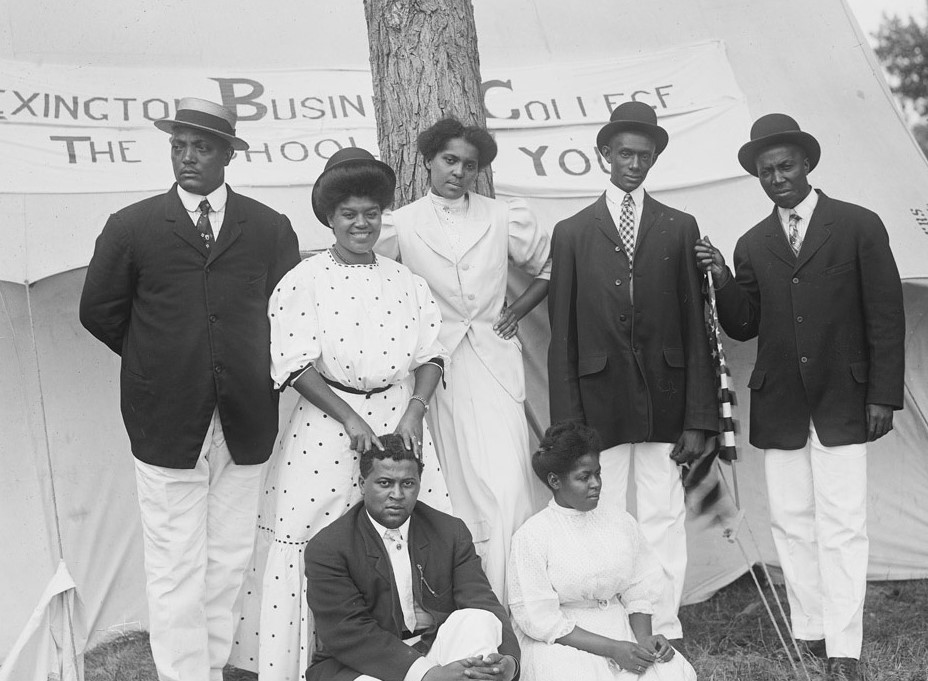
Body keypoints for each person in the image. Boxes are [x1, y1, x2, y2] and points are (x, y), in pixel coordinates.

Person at [78, 97, 300, 681]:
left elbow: (289, 316)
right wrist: (162, 364)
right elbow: (99, 311)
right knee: (175, 566)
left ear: (229, 154)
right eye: (178, 145)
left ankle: (210, 669)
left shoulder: (269, 228)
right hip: (166, 422)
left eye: (201, 146)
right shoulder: (133, 226)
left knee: (228, 562)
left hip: (246, 419)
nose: (187, 157)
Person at [694, 114, 905, 681]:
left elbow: (886, 316)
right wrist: (720, 279)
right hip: (782, 402)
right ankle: (809, 630)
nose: (777, 177)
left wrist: (882, 394)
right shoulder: (752, 243)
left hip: (846, 399)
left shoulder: (858, 226)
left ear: (807, 165)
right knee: (791, 521)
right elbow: (743, 326)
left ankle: (844, 646)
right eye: (766, 172)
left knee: (842, 523)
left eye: (785, 166)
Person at [230, 148, 452, 680]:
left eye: (371, 213)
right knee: (319, 533)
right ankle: (314, 665)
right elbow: (290, 362)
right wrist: (350, 418)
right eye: (349, 214)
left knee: (409, 524)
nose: (361, 224)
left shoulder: (406, 281)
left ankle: (416, 657)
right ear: (330, 218)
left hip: (400, 419)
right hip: (326, 423)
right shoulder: (302, 279)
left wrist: (414, 412)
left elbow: (431, 354)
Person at [546, 101, 719, 645]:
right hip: (600, 403)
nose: (635, 164)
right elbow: (563, 336)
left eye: (645, 156)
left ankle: (665, 626)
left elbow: (697, 330)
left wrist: (699, 416)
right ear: (605, 155)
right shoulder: (572, 232)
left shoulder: (678, 225)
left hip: (666, 402)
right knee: (604, 514)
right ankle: (616, 628)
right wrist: (569, 426)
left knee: (664, 513)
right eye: (624, 153)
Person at [377, 117, 551, 602]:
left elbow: (548, 267)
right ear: (428, 160)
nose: (458, 172)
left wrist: (516, 309)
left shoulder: (503, 217)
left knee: (509, 485)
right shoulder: (400, 225)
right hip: (435, 374)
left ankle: (517, 602)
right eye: (449, 160)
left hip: (495, 364)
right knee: (452, 486)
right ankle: (466, 608)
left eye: (469, 165)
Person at [304, 435, 520, 681]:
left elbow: (482, 601)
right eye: (385, 483)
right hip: (362, 664)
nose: (397, 494)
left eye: (407, 484)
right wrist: (426, 675)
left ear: (419, 484)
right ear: (363, 484)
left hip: (435, 648)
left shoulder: (450, 531)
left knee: (479, 619)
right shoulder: (329, 547)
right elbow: (349, 632)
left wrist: (510, 663)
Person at [507, 422, 697, 681]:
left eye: (598, 474)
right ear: (554, 480)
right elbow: (539, 619)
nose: (595, 484)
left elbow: (638, 587)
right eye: (584, 477)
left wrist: (644, 640)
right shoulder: (533, 535)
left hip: (619, 628)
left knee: (672, 674)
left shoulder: (620, 521)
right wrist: (613, 649)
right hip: (561, 642)